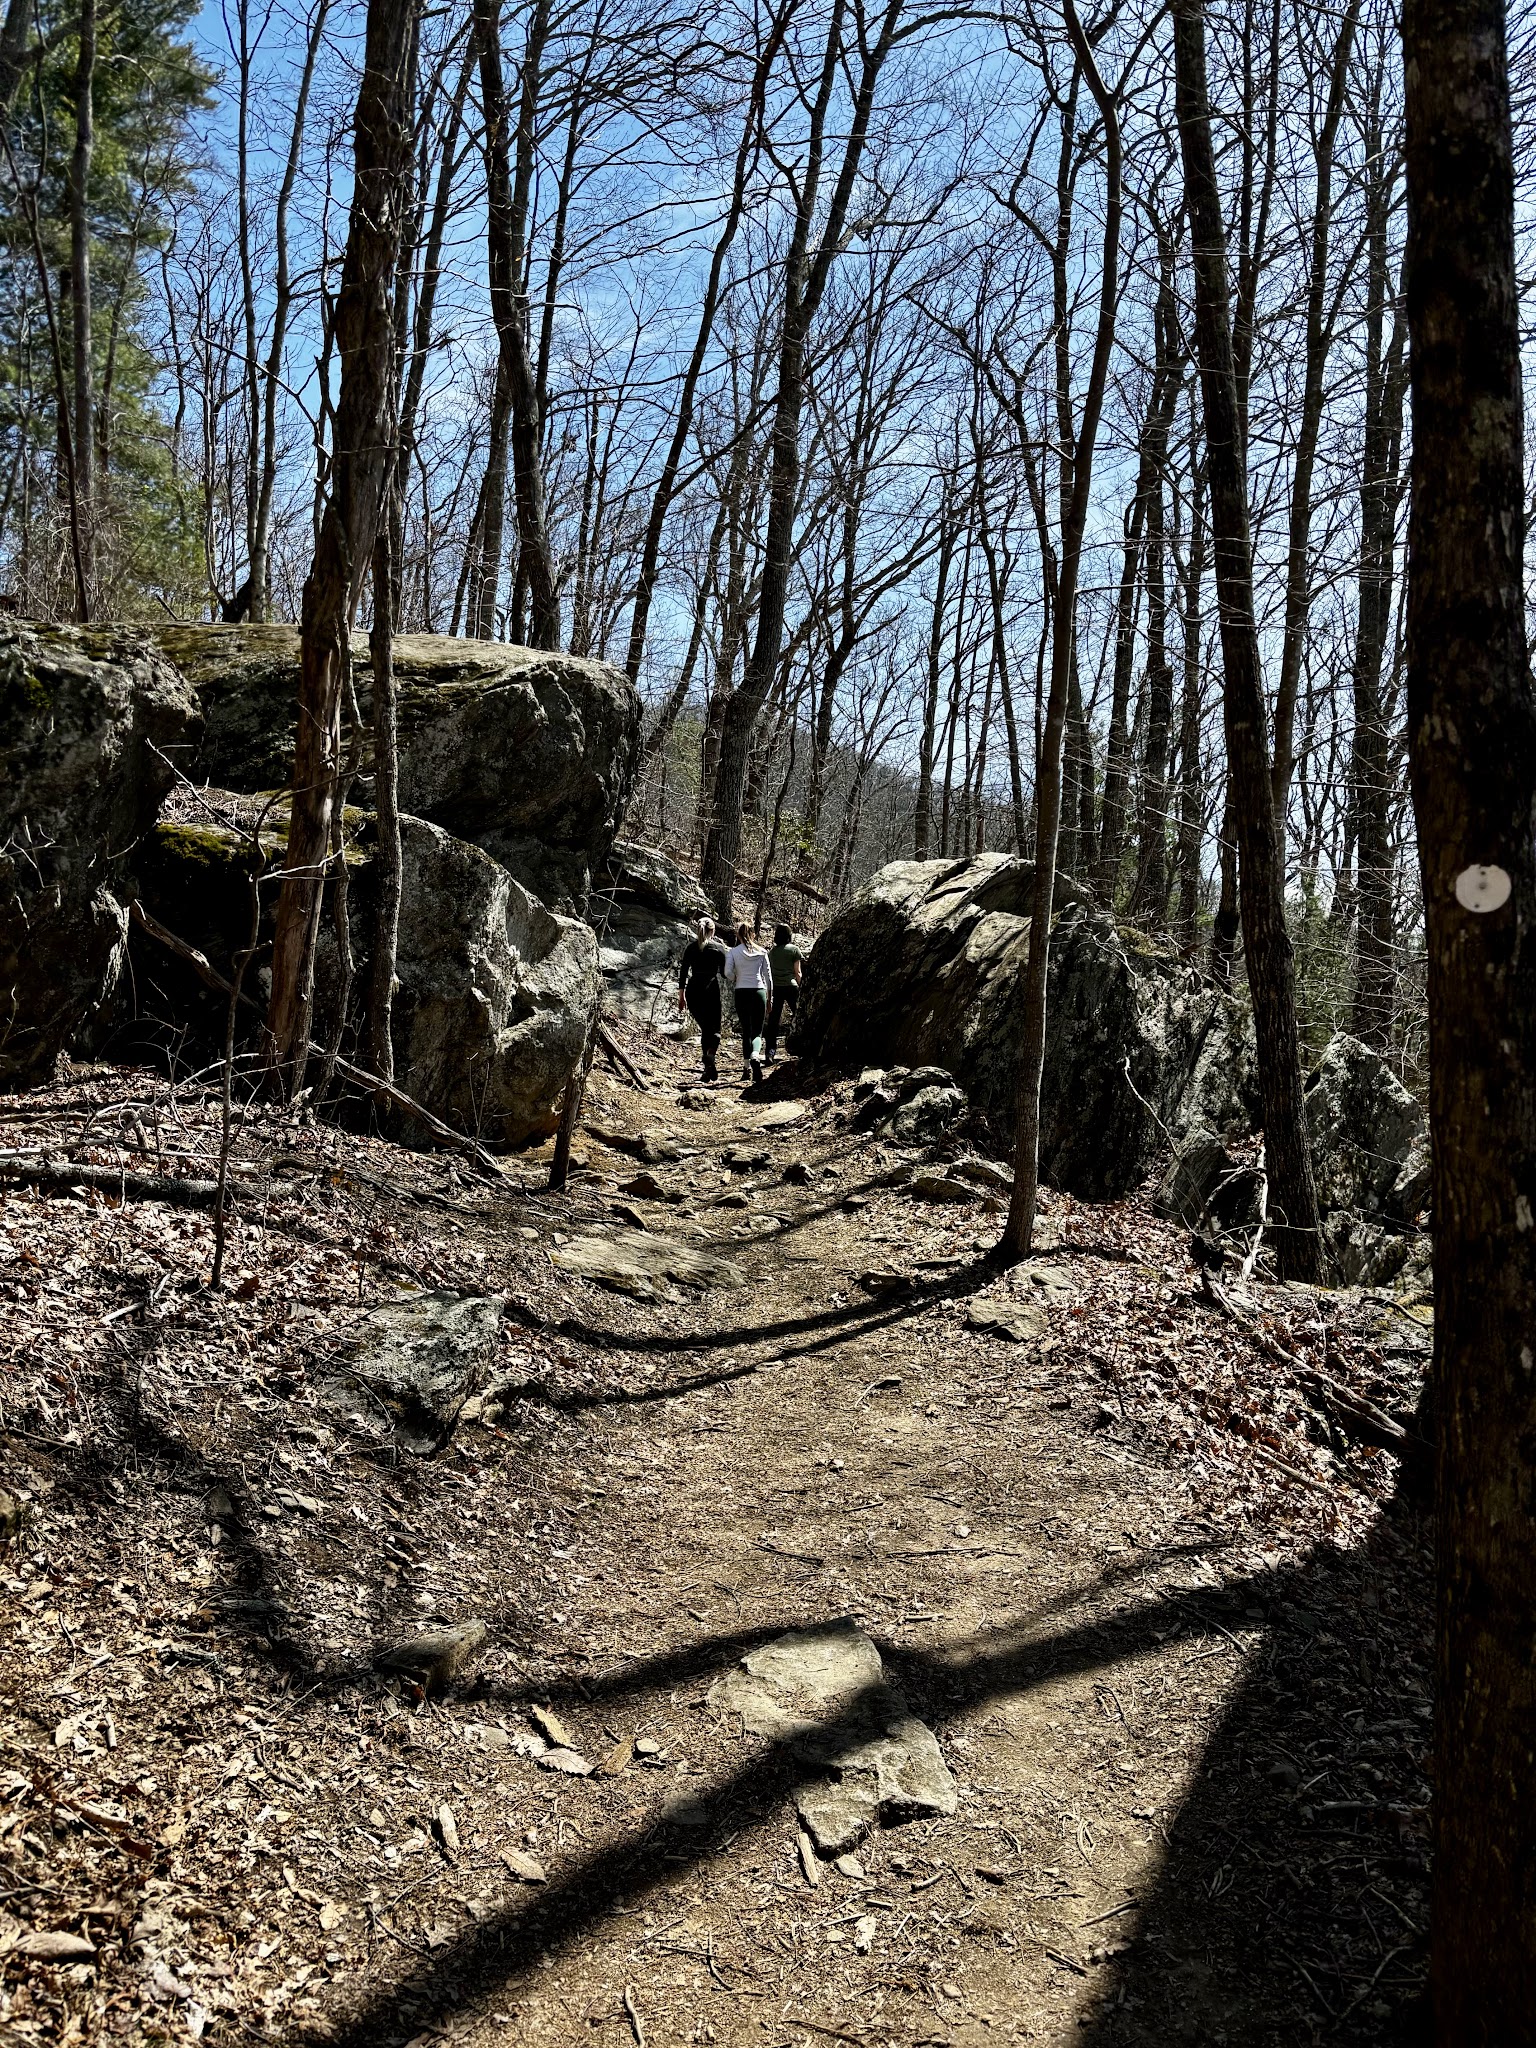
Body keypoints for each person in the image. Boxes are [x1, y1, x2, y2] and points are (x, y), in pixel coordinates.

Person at [677, 916, 728, 1081]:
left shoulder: (691, 948)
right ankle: (711, 1054)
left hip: (693, 990)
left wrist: (681, 996)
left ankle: (708, 1068)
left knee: (705, 1028)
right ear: (712, 931)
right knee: (714, 1028)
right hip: (710, 989)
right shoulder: (718, 949)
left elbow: (683, 973)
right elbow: (724, 973)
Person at [723, 921, 773, 1085]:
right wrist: (769, 998)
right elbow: (768, 978)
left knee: (746, 1030)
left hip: (741, 992)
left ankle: (746, 1069)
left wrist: (735, 978)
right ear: (753, 933)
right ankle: (755, 1055)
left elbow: (727, 972)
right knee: (757, 1031)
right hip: (759, 992)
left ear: (738, 934)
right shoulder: (762, 951)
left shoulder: (733, 952)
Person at [764, 922, 804, 1059]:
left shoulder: (772, 952)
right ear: (789, 935)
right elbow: (797, 972)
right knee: (799, 1016)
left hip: (776, 988)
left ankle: (770, 1052)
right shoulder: (794, 950)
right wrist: (802, 988)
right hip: (791, 987)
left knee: (773, 1021)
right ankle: (804, 1045)